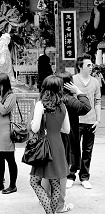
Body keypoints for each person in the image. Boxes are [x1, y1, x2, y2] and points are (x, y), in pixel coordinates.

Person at [42, 72, 91, 213]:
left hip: (49, 139)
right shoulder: (67, 99)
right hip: (64, 140)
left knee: (48, 169)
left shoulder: (47, 99)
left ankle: (45, 198)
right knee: (62, 172)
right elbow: (86, 107)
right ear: (69, 84)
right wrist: (79, 92)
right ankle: (60, 205)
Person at [29, 75, 70, 214]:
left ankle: (50, 212)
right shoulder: (63, 106)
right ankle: (52, 212)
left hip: (44, 146)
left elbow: (34, 128)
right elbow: (67, 130)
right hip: (57, 145)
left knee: (34, 182)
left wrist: (33, 124)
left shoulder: (41, 105)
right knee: (55, 183)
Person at [67, 54, 101, 190]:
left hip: (91, 121)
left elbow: (97, 101)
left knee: (88, 150)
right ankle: (70, 175)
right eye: (88, 65)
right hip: (76, 121)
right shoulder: (72, 80)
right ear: (80, 67)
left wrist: (98, 119)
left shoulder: (95, 82)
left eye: (91, 64)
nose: (91, 67)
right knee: (74, 149)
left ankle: (85, 177)